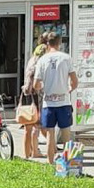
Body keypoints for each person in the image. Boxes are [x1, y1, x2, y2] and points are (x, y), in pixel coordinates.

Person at [33, 33, 78, 165]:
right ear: (60, 43)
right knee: (66, 135)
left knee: (50, 135)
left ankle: (50, 162)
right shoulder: (66, 58)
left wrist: (44, 87)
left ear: (47, 44)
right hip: (64, 101)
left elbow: (36, 84)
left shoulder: (42, 60)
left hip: (48, 102)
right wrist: (68, 89)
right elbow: (75, 81)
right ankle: (68, 163)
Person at [20, 43, 46, 160]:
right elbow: (37, 84)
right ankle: (35, 151)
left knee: (27, 128)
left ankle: (26, 154)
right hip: (35, 97)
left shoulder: (31, 61)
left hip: (26, 96)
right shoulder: (39, 64)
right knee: (36, 126)